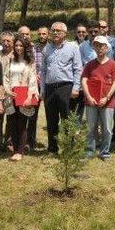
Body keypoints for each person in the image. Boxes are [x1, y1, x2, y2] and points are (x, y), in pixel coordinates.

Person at [40, 22, 82, 153]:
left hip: (66, 87)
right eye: (53, 30)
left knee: (67, 119)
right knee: (51, 120)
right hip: (50, 88)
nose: (55, 33)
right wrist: (42, 90)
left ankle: (68, 149)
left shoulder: (73, 47)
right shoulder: (46, 49)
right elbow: (43, 71)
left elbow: (78, 69)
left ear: (65, 33)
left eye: (58, 31)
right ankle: (52, 148)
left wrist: (76, 88)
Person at [81, 36, 115, 160]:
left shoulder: (113, 65)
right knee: (90, 128)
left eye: (102, 46)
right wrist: (88, 96)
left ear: (106, 47)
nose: (99, 48)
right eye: (97, 46)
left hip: (108, 102)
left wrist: (107, 97)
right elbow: (84, 80)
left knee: (107, 129)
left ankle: (105, 152)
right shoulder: (89, 65)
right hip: (91, 102)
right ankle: (89, 151)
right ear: (94, 47)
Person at [4, 36, 39, 160]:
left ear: (25, 48)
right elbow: (6, 78)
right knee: (12, 123)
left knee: (22, 123)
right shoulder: (11, 62)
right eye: (17, 45)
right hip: (11, 96)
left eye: (21, 46)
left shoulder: (29, 63)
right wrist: (7, 90)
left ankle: (20, 151)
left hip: (24, 96)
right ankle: (14, 150)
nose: (18, 48)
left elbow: (33, 81)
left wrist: (29, 96)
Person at [0, 31, 15, 154]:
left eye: (9, 41)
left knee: (11, 118)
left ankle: (8, 142)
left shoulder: (16, 55)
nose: (6, 43)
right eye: (4, 41)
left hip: (12, 91)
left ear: (13, 42)